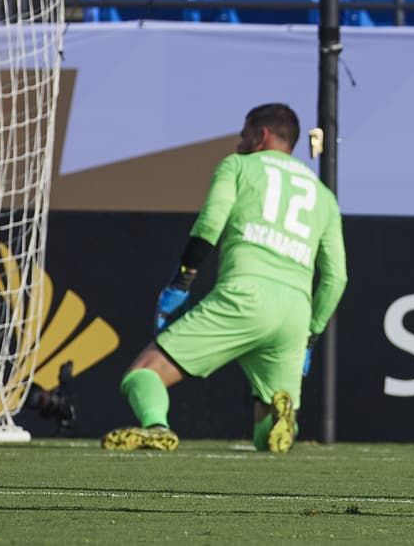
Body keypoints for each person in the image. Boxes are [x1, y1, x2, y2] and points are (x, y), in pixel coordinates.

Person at [102, 103, 347, 454]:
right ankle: (281, 419)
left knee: (143, 373)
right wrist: (311, 335)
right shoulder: (323, 195)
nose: (239, 142)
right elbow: (336, 277)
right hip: (295, 312)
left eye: (244, 133)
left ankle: (156, 427)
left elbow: (210, 224)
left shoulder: (239, 165)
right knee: (268, 430)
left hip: (245, 295)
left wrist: (181, 283)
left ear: (260, 135)